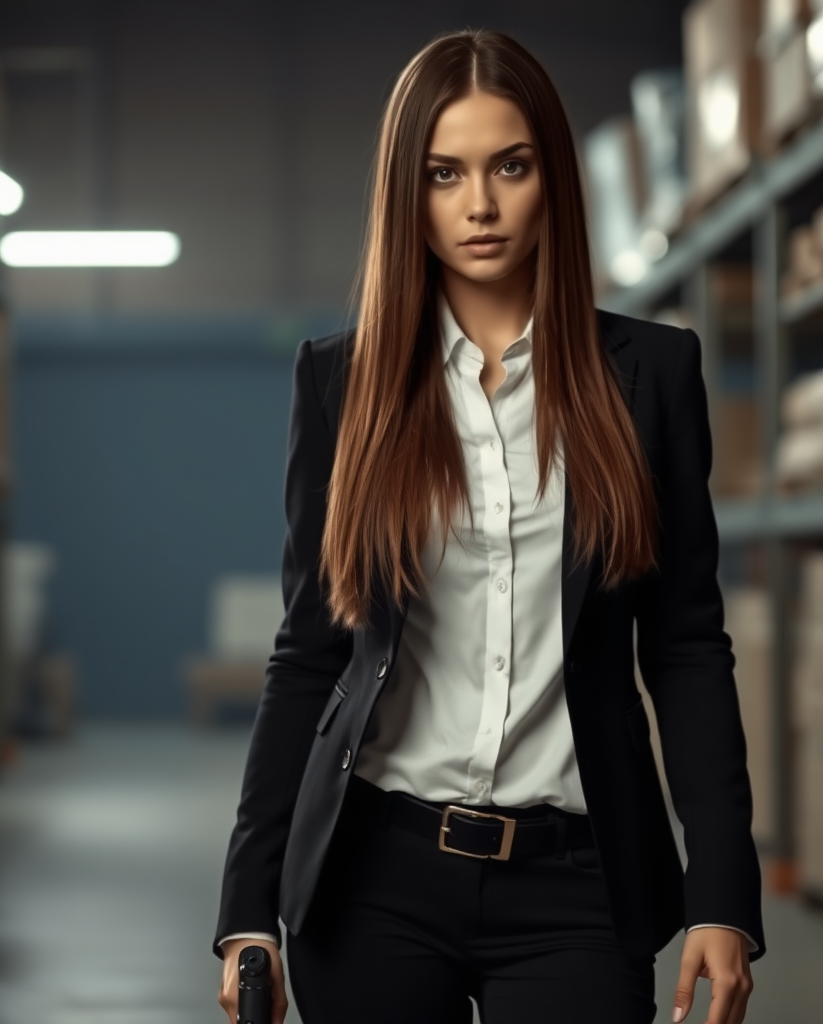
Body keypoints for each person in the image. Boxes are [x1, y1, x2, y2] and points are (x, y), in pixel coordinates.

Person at [214, 27, 764, 1024]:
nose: (479, 204)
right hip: (371, 878)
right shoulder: (341, 384)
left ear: (549, 174)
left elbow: (684, 645)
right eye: (443, 172)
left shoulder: (651, 376)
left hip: (578, 885)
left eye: (509, 165)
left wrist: (723, 894)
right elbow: (308, 651)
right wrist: (245, 907)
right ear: (405, 191)